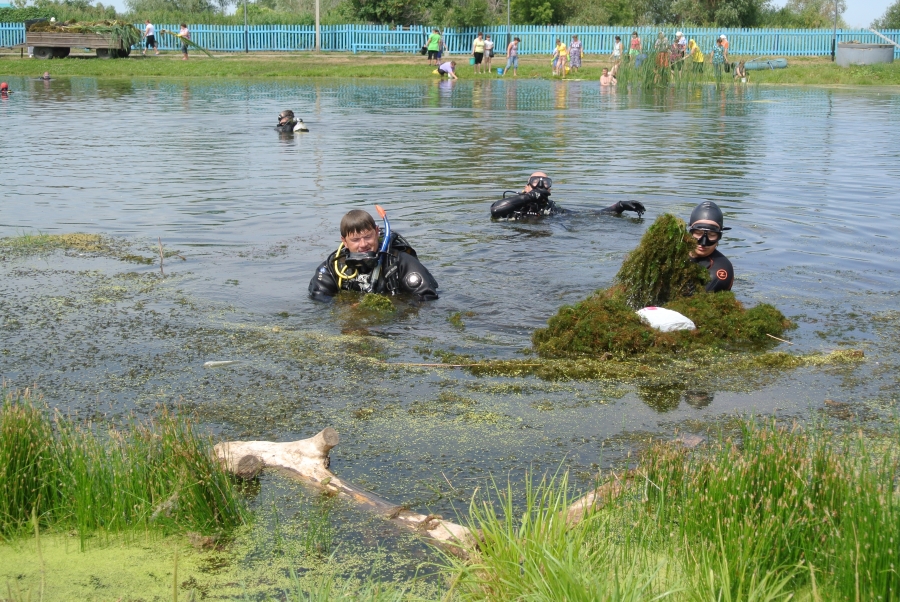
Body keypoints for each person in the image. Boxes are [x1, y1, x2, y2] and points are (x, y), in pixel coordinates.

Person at [308, 209, 439, 302]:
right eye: (355, 240)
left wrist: (391, 308)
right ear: (344, 241)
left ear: (376, 233)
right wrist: (347, 309)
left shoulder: (400, 262)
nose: (363, 244)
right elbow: (319, 298)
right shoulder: (334, 267)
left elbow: (427, 297)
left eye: (368, 237)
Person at [490, 172, 645, 220]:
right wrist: (528, 197)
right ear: (526, 187)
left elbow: (588, 216)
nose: (540, 185)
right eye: (535, 181)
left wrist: (619, 206)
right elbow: (495, 211)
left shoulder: (552, 210)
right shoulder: (514, 204)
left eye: (545, 183)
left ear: (550, 190)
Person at [688, 201, 734, 292]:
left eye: (712, 235)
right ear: (690, 233)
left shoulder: (720, 269)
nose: (703, 243)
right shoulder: (673, 253)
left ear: (719, 237)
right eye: (698, 233)